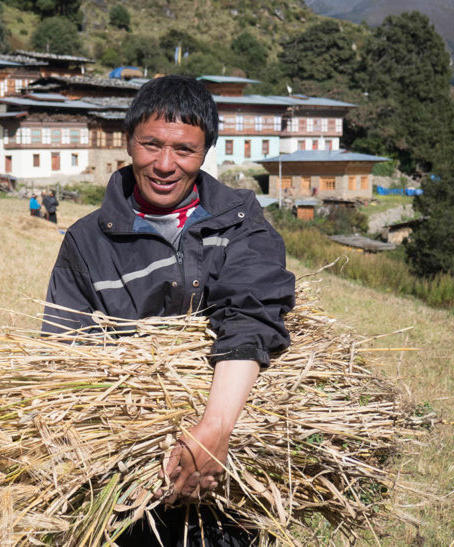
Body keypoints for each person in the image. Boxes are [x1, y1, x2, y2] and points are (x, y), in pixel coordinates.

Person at [42, 75, 295, 545]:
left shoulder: (240, 221)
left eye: (184, 150)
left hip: (230, 491)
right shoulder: (86, 242)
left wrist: (214, 429)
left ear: (205, 154)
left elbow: (250, 314)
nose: (164, 164)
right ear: (128, 142)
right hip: (126, 493)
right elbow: (65, 358)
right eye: (151, 145)